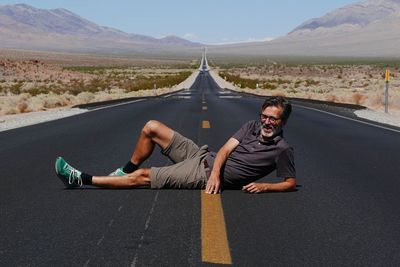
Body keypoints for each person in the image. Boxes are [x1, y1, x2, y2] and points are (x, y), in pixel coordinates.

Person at [55, 96, 296, 194]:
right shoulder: (251, 126)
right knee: (151, 126)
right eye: (264, 115)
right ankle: (123, 171)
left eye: (272, 118)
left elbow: (290, 182)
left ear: (282, 121)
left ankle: (80, 179)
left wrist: (265, 186)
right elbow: (225, 150)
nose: (266, 121)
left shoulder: (282, 149)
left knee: (144, 176)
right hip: (204, 158)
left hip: (200, 172)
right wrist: (216, 174)